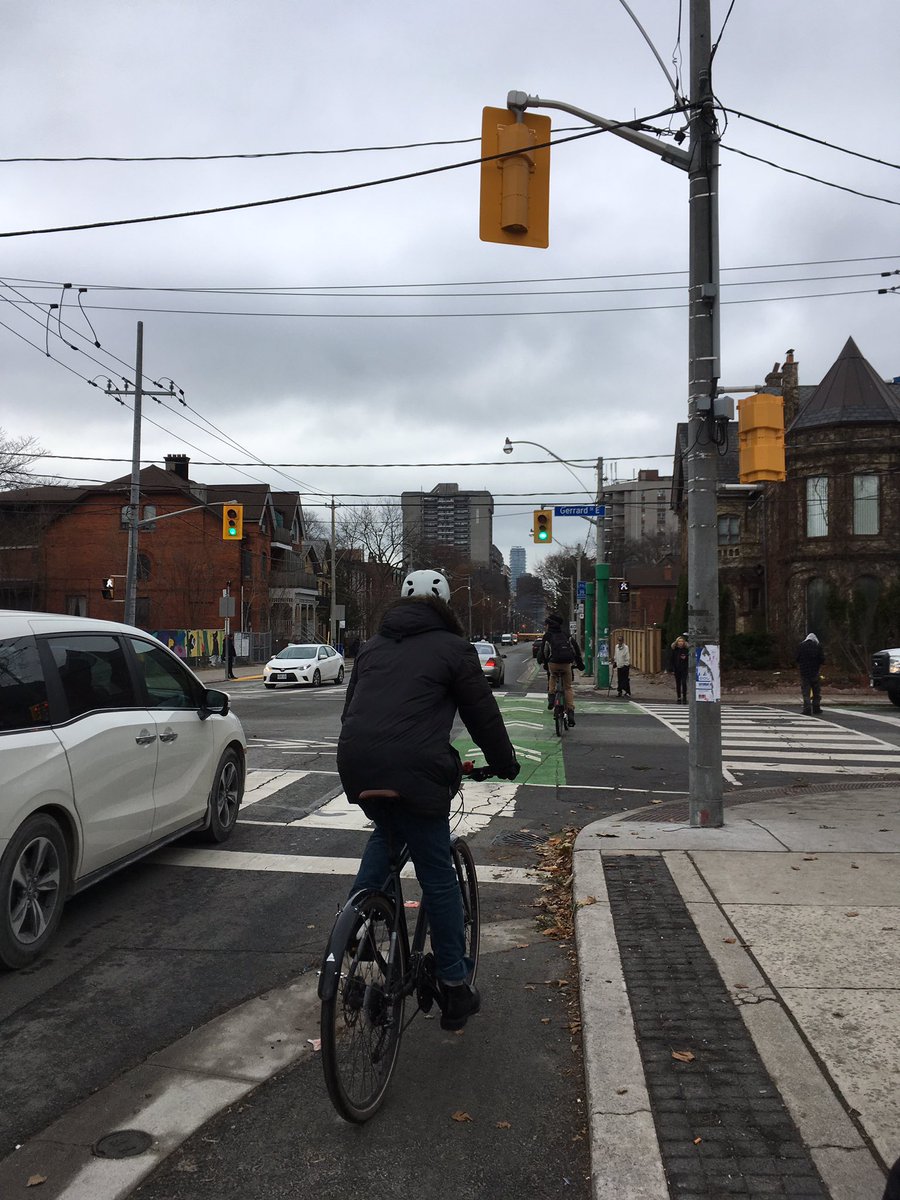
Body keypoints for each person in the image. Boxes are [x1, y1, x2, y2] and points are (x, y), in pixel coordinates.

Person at [337, 569, 519, 1030]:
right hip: (418, 771)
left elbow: (351, 712)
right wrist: (504, 762)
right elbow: (483, 715)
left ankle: (352, 939)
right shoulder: (454, 649)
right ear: (446, 606)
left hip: (357, 764)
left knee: (387, 834)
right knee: (438, 875)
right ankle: (455, 985)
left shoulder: (371, 648)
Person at [539, 613, 584, 727]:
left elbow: (544, 651)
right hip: (566, 664)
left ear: (549, 625)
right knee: (568, 687)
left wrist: (545, 662)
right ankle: (570, 713)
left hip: (553, 663)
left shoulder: (548, 636)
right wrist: (580, 664)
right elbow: (576, 651)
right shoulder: (566, 635)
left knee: (553, 676)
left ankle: (551, 697)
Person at [796, 631, 825, 715]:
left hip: (804, 672)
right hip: (815, 672)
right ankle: (816, 708)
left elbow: (797, 658)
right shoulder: (818, 646)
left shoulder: (801, 646)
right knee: (816, 692)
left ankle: (807, 709)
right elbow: (822, 659)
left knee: (806, 692)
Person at [671, 634, 689, 704]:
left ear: (684, 642)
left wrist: (686, 657)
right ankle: (678, 697)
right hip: (677, 668)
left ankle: (684, 697)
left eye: (682, 641)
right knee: (678, 683)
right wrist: (671, 668)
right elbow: (671, 659)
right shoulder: (674, 650)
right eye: (679, 641)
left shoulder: (686, 650)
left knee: (684, 682)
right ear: (677, 642)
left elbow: (690, 658)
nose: (680, 643)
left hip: (684, 668)